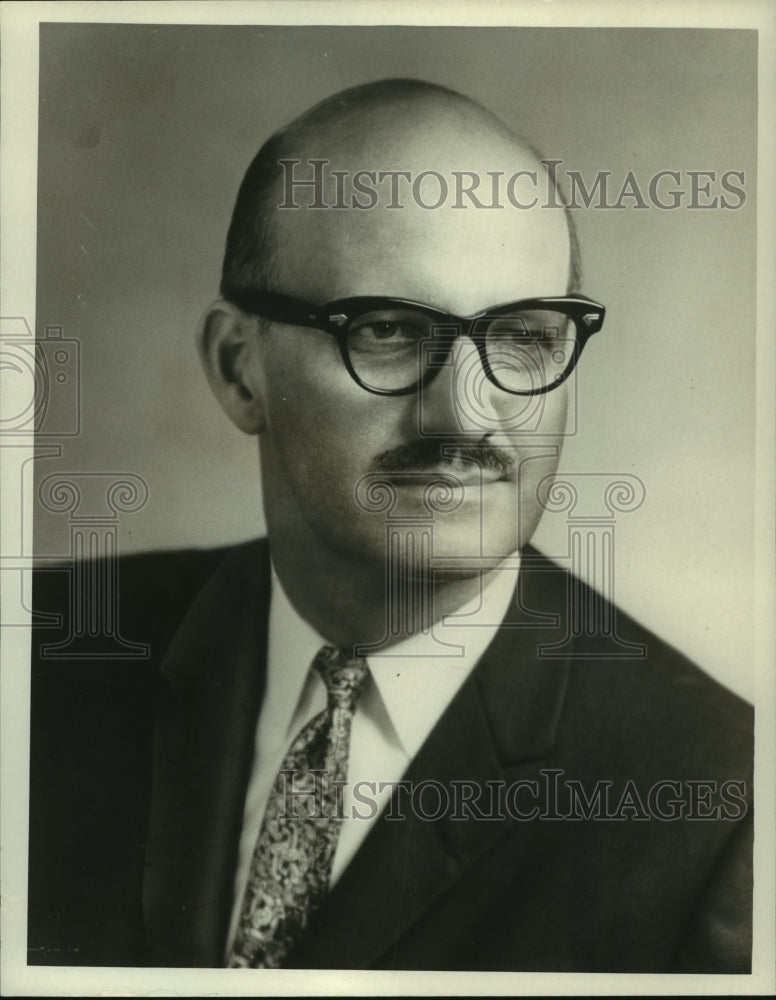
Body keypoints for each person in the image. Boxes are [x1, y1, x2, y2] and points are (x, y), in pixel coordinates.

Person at [28, 79, 753, 973]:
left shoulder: (723, 811)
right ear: (236, 370)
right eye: (386, 329)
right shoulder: (37, 659)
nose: (466, 413)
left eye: (526, 335)